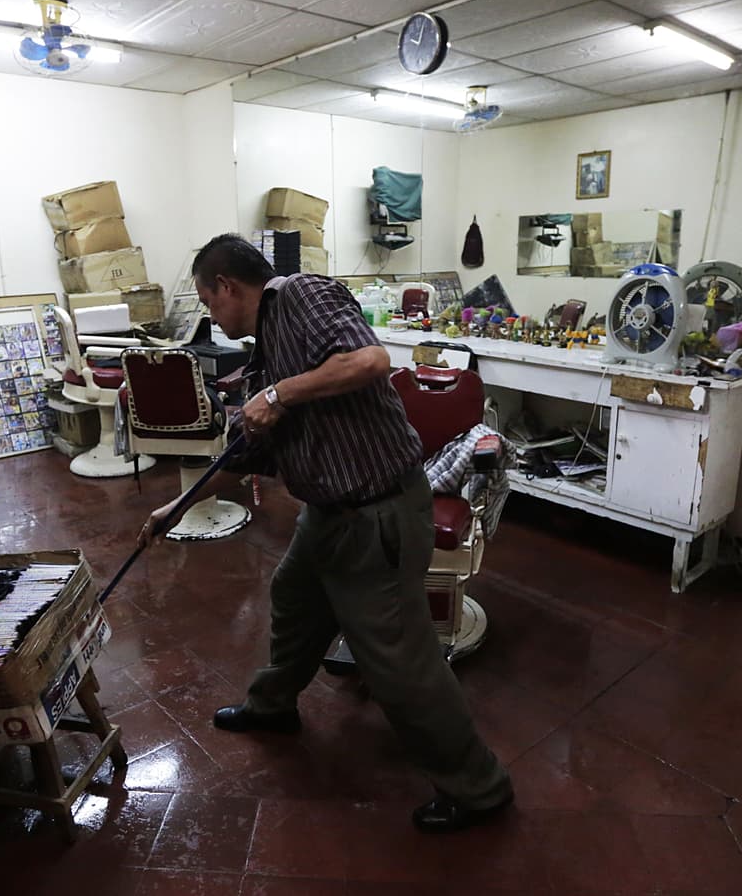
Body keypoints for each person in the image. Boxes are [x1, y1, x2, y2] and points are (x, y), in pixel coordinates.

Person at [138, 233, 513, 833]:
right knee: (294, 599)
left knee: (397, 660)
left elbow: (371, 362)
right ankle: (273, 705)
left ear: (227, 287)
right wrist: (178, 506)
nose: (212, 316)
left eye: (209, 302)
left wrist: (280, 394)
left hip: (379, 512)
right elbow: (244, 455)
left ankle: (479, 788)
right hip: (327, 514)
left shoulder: (301, 296)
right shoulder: (265, 352)